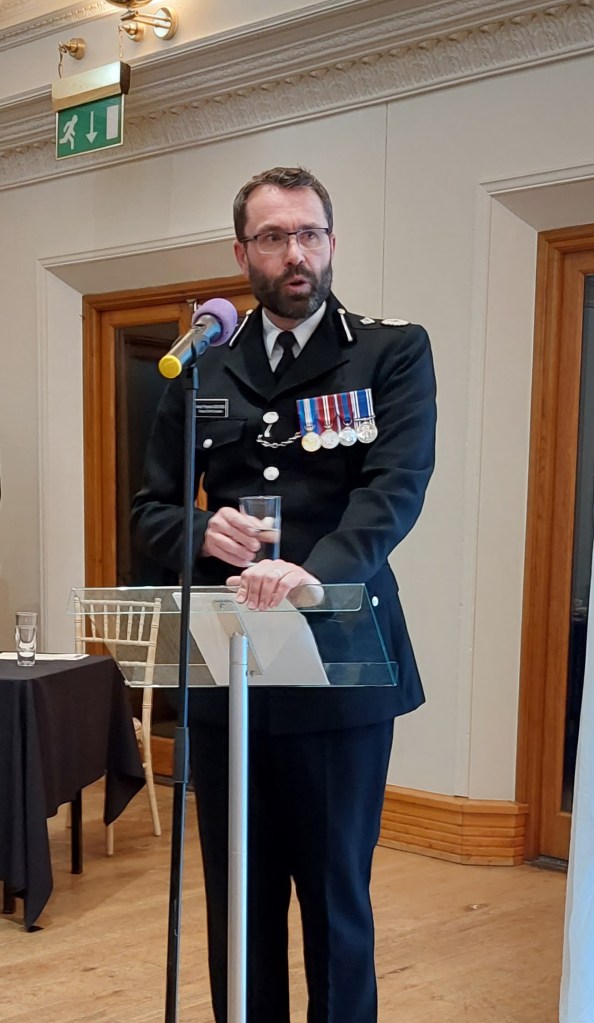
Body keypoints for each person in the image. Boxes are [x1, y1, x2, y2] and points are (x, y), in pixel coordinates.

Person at [131, 166, 436, 1023]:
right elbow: (151, 508)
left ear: (331, 242)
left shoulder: (388, 351)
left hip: (340, 670)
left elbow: (394, 489)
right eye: (273, 237)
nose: (294, 252)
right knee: (239, 901)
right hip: (229, 673)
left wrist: (318, 572)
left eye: (309, 233)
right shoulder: (203, 366)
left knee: (335, 903)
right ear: (243, 253)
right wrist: (202, 533)